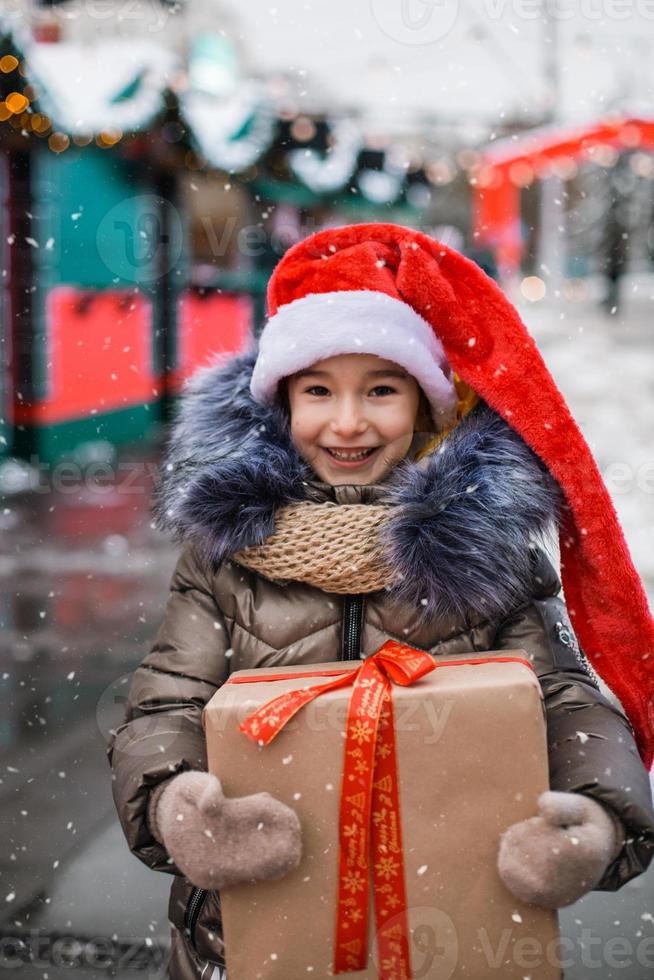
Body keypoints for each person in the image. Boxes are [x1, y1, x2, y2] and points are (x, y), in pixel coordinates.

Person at [107, 223, 654, 980]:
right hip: (250, 931)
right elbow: (165, 709)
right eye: (318, 391)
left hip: (456, 920)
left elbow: (562, 700)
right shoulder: (225, 556)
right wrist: (179, 808)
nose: (349, 422)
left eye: (383, 390)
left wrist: (595, 817)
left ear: (427, 408)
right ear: (280, 405)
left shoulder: (485, 550)